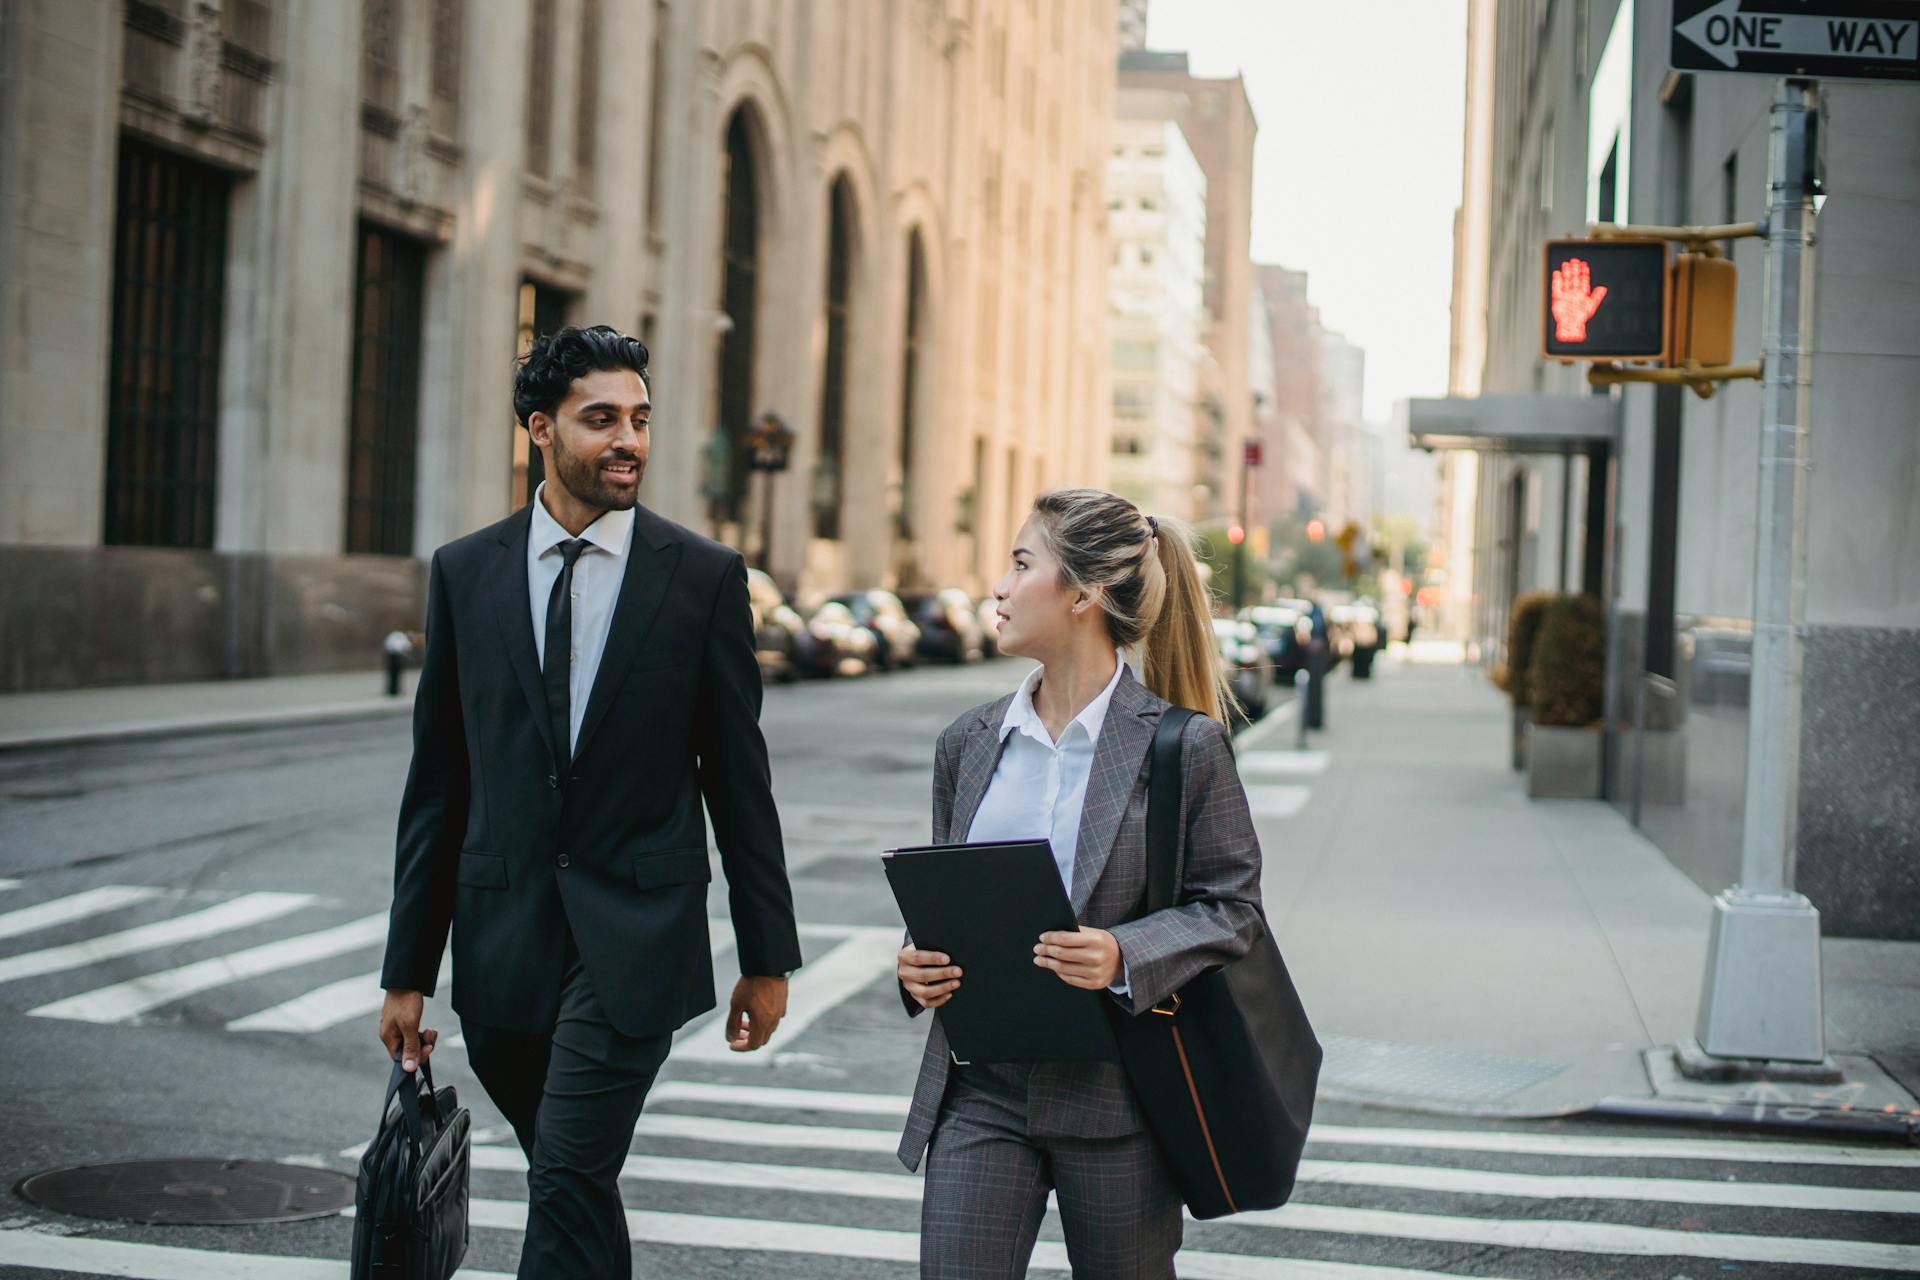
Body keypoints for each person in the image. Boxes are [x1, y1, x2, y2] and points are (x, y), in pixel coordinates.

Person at [376, 324, 802, 1279]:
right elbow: (438, 783)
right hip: (504, 946)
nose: (629, 441)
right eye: (601, 418)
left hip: (637, 940)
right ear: (541, 428)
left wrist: (767, 956)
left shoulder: (699, 577)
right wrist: (408, 970)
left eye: (641, 421)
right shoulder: (465, 571)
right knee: (573, 1185)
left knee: (566, 1175)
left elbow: (739, 778)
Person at [896, 487, 1265, 1278]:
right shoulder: (967, 743)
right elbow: (948, 898)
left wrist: (1122, 953)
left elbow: (1232, 909)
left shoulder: (1182, 747)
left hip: (1120, 1099)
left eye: (1022, 563)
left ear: (1085, 594)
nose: (998, 585)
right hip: (979, 1093)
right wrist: (916, 963)